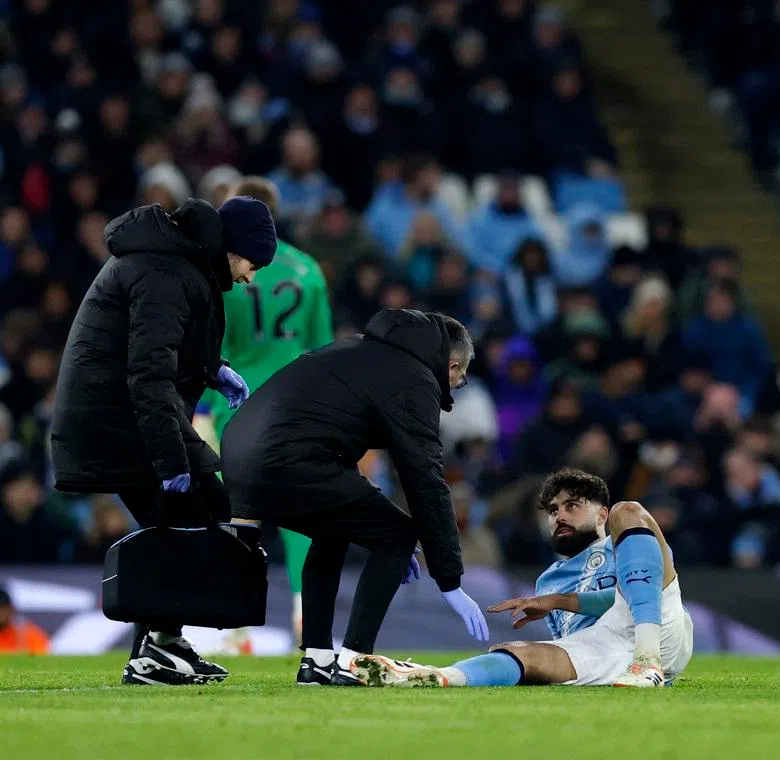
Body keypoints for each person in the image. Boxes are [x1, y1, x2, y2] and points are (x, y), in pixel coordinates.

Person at [51, 195, 278, 685]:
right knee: (191, 517)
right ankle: (156, 652)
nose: (249, 277)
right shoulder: (166, 272)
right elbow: (149, 375)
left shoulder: (174, 263)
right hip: (120, 421)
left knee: (207, 511)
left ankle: (163, 646)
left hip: (124, 415)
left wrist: (212, 370)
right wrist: (171, 459)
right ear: (231, 247)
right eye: (251, 264)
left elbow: (160, 350)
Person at [220, 309, 489, 685]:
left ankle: (316, 659)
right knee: (396, 535)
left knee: (334, 529)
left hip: (237, 454)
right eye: (459, 379)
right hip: (287, 459)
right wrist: (449, 578)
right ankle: (353, 658)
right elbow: (424, 478)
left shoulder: (357, 352)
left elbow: (328, 441)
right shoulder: (414, 378)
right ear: (452, 364)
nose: (456, 387)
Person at [348, 468, 694, 688]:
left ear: (600, 514)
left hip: (657, 629)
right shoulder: (548, 581)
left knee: (630, 510)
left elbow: (625, 599)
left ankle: (648, 663)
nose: (559, 516)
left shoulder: (627, 542)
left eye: (573, 506)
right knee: (522, 655)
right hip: (606, 652)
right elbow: (581, 639)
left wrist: (560, 602)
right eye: (553, 511)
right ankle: (434, 676)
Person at [199, 176, 334, 643]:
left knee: (237, 514)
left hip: (235, 405)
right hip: (299, 408)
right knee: (304, 518)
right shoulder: (308, 270)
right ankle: (307, 612)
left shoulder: (222, 272)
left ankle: (230, 622)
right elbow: (322, 351)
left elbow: (210, 347)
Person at [0, 586, 50, 654]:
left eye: (3, 608)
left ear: (11, 609)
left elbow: (42, 655)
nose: (1, 612)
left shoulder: (27, 634)